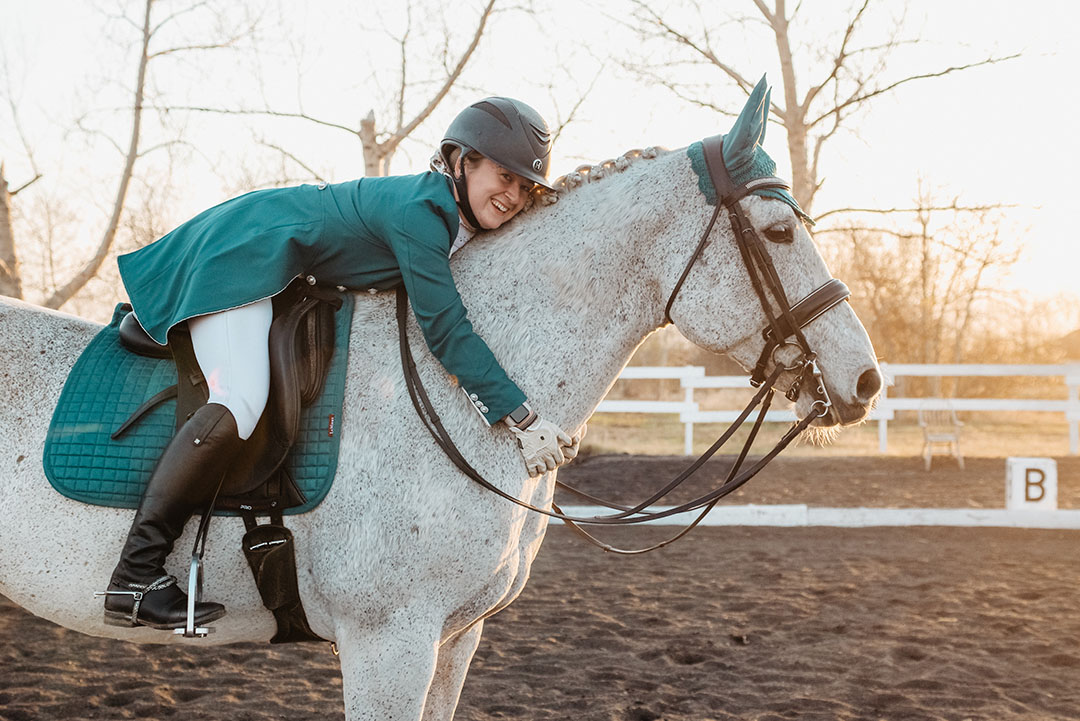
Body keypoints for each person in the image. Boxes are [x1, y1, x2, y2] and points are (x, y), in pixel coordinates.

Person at [99, 97, 581, 631]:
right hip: (244, 254)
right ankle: (135, 576)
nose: (513, 195)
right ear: (461, 160)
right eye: (502, 175)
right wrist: (520, 416)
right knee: (239, 396)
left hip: (271, 254)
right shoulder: (423, 213)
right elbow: (444, 330)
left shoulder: (448, 213)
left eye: (524, 186)